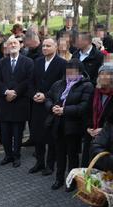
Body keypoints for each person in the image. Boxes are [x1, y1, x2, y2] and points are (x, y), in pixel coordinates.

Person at [45, 59, 94, 190]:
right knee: (59, 154)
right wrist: (52, 107)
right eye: (68, 72)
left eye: (73, 72)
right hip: (58, 124)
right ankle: (59, 179)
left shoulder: (87, 86)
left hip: (74, 126)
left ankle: (71, 181)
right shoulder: (59, 83)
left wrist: (64, 110)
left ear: (80, 72)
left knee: (72, 155)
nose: (70, 74)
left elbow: (84, 107)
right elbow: (48, 97)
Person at [29, 38, 67, 176]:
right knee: (37, 135)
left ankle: (50, 165)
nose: (44, 48)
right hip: (37, 104)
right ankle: (39, 163)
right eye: (43, 45)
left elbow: (63, 86)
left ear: (55, 47)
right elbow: (31, 81)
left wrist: (46, 96)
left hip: (51, 104)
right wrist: (34, 94)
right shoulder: (37, 62)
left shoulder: (63, 64)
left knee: (51, 137)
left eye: (48, 46)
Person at [0, 37, 34, 168]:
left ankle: (17, 156)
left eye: (15, 43)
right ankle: (8, 155)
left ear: (20, 45)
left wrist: (15, 92)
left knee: (18, 133)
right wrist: (6, 91)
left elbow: (28, 81)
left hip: (20, 103)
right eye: (10, 43)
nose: (12, 45)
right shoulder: (1, 63)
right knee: (5, 133)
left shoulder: (28, 62)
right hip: (4, 103)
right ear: (6, 46)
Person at [83, 64, 113, 170]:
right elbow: (87, 111)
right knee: (88, 161)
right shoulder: (96, 91)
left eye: (107, 74)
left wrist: (103, 130)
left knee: (103, 167)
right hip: (91, 133)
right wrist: (89, 127)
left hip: (109, 137)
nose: (103, 76)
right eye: (101, 74)